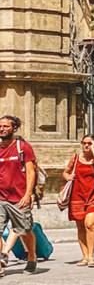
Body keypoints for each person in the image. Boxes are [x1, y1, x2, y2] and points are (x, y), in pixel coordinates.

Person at [0, 115, 38, 275]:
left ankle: (32, 256)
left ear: (14, 128)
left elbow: (31, 172)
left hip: (19, 197)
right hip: (1, 197)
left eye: (6, 126)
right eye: (0, 126)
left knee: (25, 230)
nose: (2, 129)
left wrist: (28, 194)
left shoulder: (23, 147)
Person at [62, 134, 94, 267]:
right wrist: (68, 176)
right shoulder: (76, 158)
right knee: (80, 226)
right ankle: (85, 256)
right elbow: (65, 172)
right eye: (84, 143)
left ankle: (92, 256)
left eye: (89, 143)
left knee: (90, 224)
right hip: (77, 196)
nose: (86, 145)